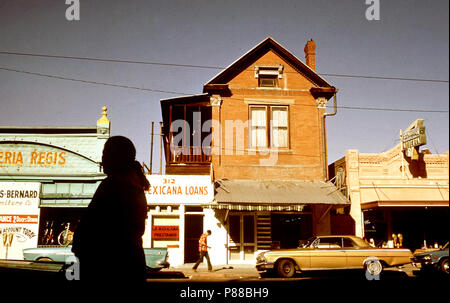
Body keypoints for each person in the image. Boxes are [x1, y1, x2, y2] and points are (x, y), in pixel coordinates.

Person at [72, 136, 150, 283]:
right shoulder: (135, 187)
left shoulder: (113, 185)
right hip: (129, 268)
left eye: (106, 153)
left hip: (109, 271)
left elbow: (95, 231)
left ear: (118, 157)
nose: (102, 158)